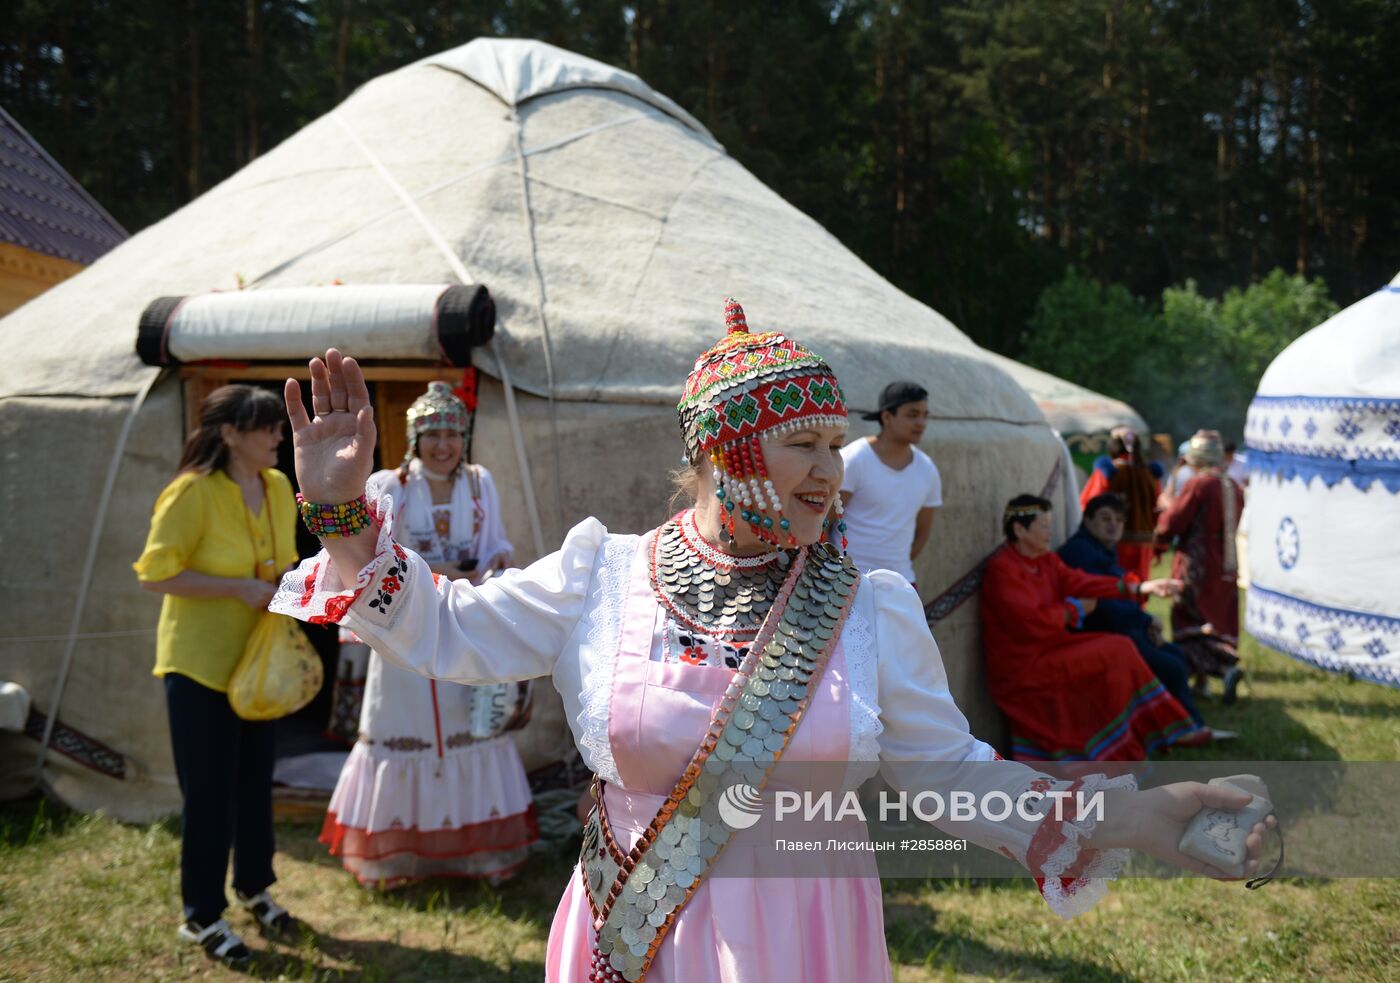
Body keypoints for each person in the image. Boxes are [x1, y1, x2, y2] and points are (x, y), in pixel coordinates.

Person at [272, 302, 1271, 982]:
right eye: (800, 445)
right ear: (720, 450)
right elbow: (444, 631)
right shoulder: (601, 574)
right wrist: (336, 508)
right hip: (635, 924)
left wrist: (1136, 815)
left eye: (830, 447)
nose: (828, 473)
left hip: (806, 930)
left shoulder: (865, 604)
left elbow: (946, 771)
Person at [321, 381, 537, 887]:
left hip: (463, 617)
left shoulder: (480, 483)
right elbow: (374, 556)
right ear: (415, 438)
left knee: (471, 725)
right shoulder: (387, 485)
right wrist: (438, 568)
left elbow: (494, 543)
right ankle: (395, 859)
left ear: (465, 437)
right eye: (433, 433)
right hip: (402, 622)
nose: (444, 444)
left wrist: (496, 561)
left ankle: (479, 857)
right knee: (406, 729)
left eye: (453, 434)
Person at [134, 385, 300, 966]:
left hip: (260, 664)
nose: (278, 436)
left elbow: (282, 564)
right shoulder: (190, 493)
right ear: (230, 433)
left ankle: (254, 887)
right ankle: (201, 916)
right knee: (208, 797)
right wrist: (237, 588)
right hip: (199, 668)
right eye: (266, 427)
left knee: (256, 785)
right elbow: (155, 575)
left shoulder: (279, 487)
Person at [980, 494, 1198, 762]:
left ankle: (1130, 738)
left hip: (1050, 647)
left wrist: (1139, 587)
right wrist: (1075, 610)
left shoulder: (1046, 561)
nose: (1051, 532)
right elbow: (1032, 624)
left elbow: (1081, 582)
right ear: (1019, 530)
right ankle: (1147, 732)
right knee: (1117, 651)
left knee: (1121, 648)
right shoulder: (1003, 570)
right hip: (1023, 664)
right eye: (1044, 526)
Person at [1058, 494, 1235, 743]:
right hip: (1096, 630)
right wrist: (1144, 621)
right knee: (1169, 666)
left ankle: (1181, 724)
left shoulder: (1101, 550)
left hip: (1117, 626)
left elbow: (1117, 596)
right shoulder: (1081, 552)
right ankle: (1184, 729)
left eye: (1119, 520)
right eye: (1105, 519)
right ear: (1086, 520)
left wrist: (1146, 619)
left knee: (1174, 655)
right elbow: (1102, 603)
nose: (1113, 526)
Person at [1155, 430, 1246, 703]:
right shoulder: (1233, 485)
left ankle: (1220, 670)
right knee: (1215, 617)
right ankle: (1206, 680)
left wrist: (1164, 514)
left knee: (1190, 615)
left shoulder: (1199, 484)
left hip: (1198, 562)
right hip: (1225, 562)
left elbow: (1175, 522)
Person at [839, 381, 942, 591]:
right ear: (887, 417)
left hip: (901, 583)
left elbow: (922, 533)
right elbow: (826, 522)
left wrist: (893, 570)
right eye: (912, 415)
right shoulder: (855, 459)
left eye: (925, 415)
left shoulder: (927, 469)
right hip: (848, 581)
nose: (921, 422)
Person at [1076, 428, 1161, 586]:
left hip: (1113, 540)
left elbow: (1089, 503)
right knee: (1140, 585)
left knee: (1116, 584)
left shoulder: (1109, 472)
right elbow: (1159, 509)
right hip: (1145, 543)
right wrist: (1160, 546)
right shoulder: (1150, 475)